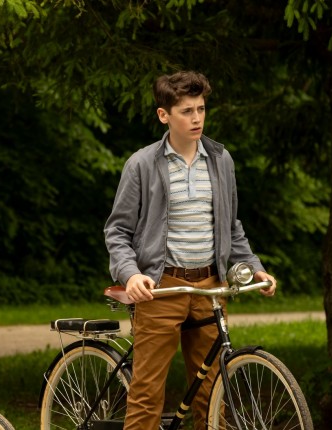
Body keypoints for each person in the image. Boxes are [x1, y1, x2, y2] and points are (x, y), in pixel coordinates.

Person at [104, 71, 277, 430]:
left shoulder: (220, 160)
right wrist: (131, 275)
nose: (197, 118)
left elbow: (231, 226)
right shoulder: (142, 164)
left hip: (210, 287)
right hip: (160, 287)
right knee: (147, 393)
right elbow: (117, 231)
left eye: (201, 109)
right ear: (164, 115)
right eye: (186, 111)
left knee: (213, 393)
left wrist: (253, 265)